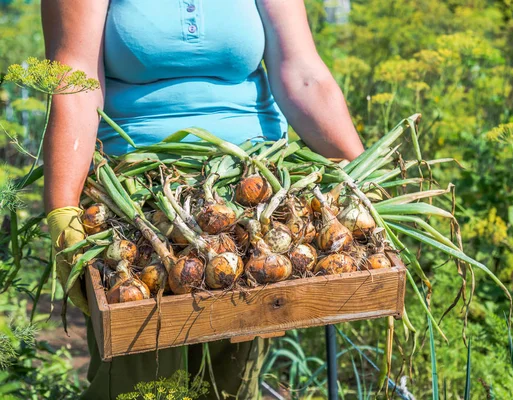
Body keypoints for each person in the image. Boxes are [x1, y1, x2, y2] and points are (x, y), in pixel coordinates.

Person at [43, 0, 364, 398]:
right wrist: (61, 208)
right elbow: (75, 79)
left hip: (254, 204)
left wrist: (361, 173)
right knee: (138, 380)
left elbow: (302, 74)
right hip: (139, 205)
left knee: (230, 380)